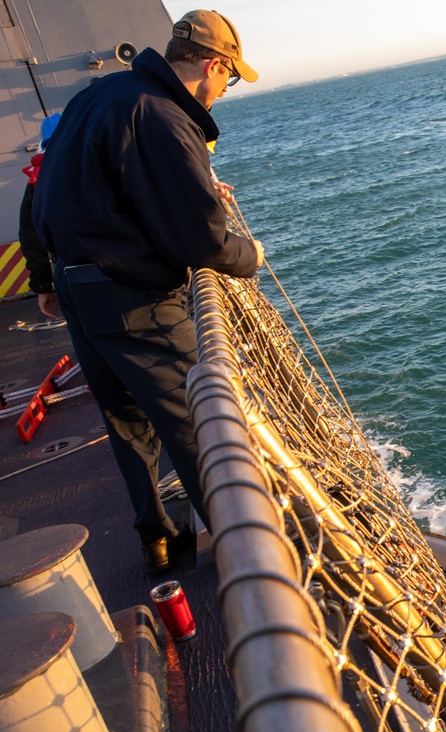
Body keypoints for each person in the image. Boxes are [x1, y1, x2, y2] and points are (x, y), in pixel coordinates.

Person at [32, 9, 264, 572]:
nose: (223, 92)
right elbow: (201, 241)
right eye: (229, 79)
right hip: (134, 302)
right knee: (203, 425)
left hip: (76, 287)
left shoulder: (103, 94)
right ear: (213, 65)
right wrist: (248, 255)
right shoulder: (163, 115)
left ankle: (156, 537)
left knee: (126, 421)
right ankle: (249, 563)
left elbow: (59, 188)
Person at [19, 112, 61, 319]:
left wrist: (43, 286)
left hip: (72, 273)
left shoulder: (36, 181)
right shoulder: (102, 161)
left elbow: (32, 236)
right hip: (128, 269)